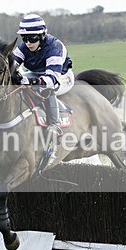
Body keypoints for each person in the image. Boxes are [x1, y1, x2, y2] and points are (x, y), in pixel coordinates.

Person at [12, 13, 74, 166]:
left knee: (46, 89)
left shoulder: (54, 47)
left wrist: (30, 81)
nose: (28, 43)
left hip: (61, 77)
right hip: (37, 73)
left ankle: (54, 125)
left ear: (42, 35)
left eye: (32, 38)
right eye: (24, 38)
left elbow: (51, 80)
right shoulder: (24, 47)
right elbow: (11, 65)